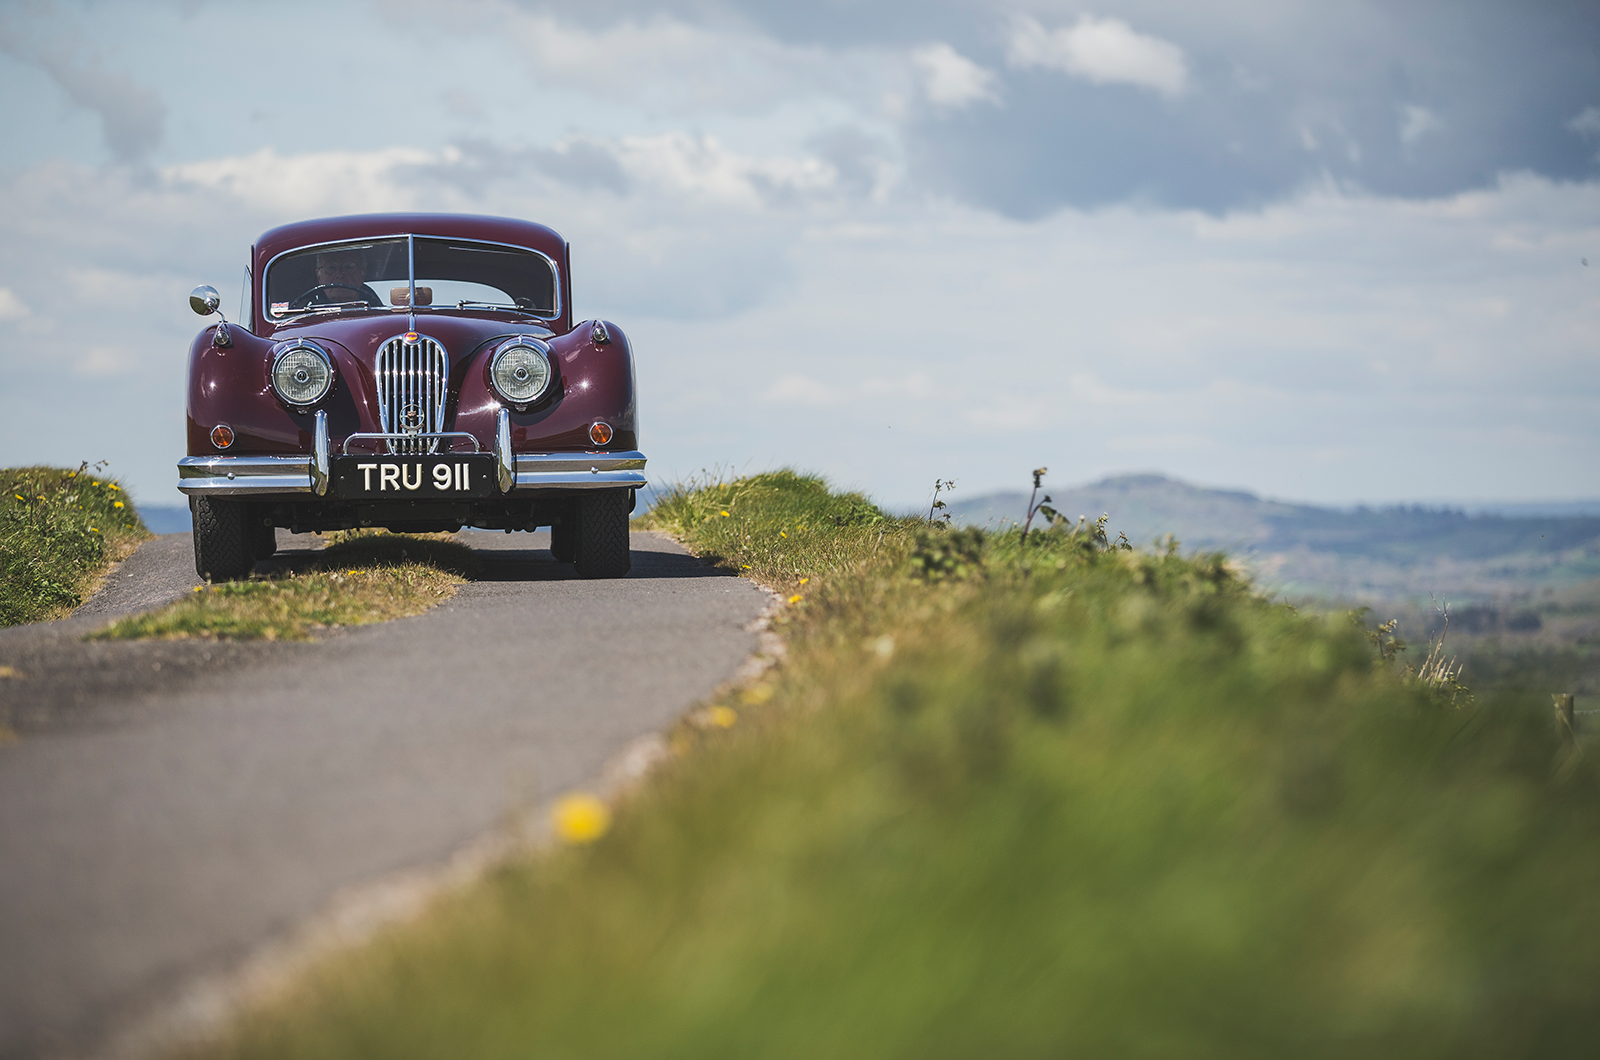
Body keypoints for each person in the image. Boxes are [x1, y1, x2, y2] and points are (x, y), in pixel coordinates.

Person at [308, 249, 382, 307]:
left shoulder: (380, 318)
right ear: (319, 276)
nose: (340, 275)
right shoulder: (305, 320)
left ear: (363, 273)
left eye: (349, 267)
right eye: (331, 268)